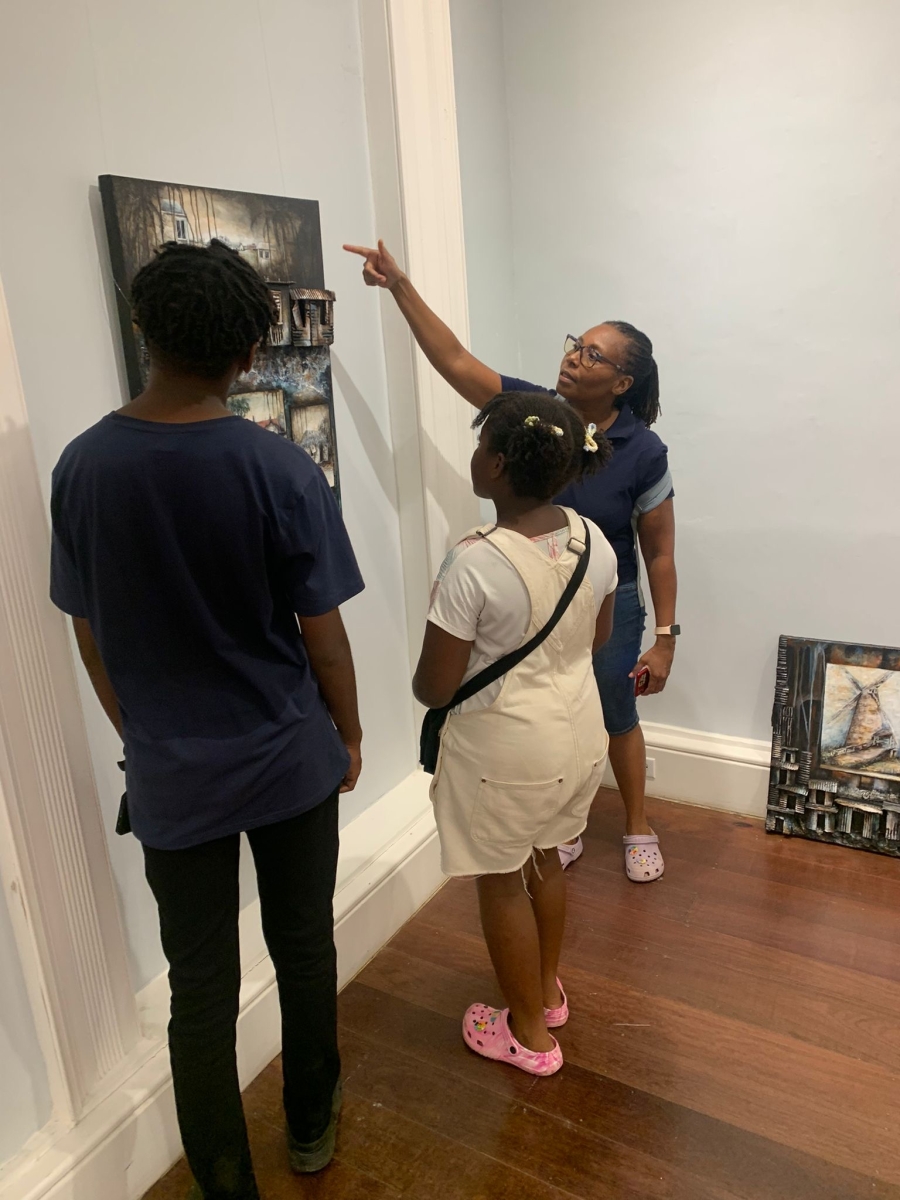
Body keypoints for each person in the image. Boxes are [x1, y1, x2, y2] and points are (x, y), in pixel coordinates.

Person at [50, 241, 364, 1200]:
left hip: (171, 770)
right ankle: (310, 1131)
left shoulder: (84, 467)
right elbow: (323, 634)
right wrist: (348, 735)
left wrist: (138, 729)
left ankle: (226, 1182)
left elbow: (90, 634)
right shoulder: (278, 467)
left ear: (142, 330)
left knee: (199, 989)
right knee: (304, 947)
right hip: (284, 753)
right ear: (246, 356)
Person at [347, 240, 676, 883]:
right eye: (573, 344)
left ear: (622, 381)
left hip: (601, 594)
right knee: (540, 706)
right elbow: (454, 360)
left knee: (611, 709)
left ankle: (638, 822)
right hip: (523, 587)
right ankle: (559, 824)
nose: (572, 359)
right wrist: (399, 287)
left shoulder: (643, 449)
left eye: (592, 355)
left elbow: (659, 550)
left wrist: (664, 637)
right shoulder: (531, 410)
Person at [414, 390, 618, 1075]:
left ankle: (528, 1035)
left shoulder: (474, 561)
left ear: (497, 465)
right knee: (547, 857)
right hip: (580, 732)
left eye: (479, 446)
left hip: (503, 749)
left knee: (501, 880)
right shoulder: (595, 540)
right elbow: (600, 637)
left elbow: (434, 687)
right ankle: (548, 989)